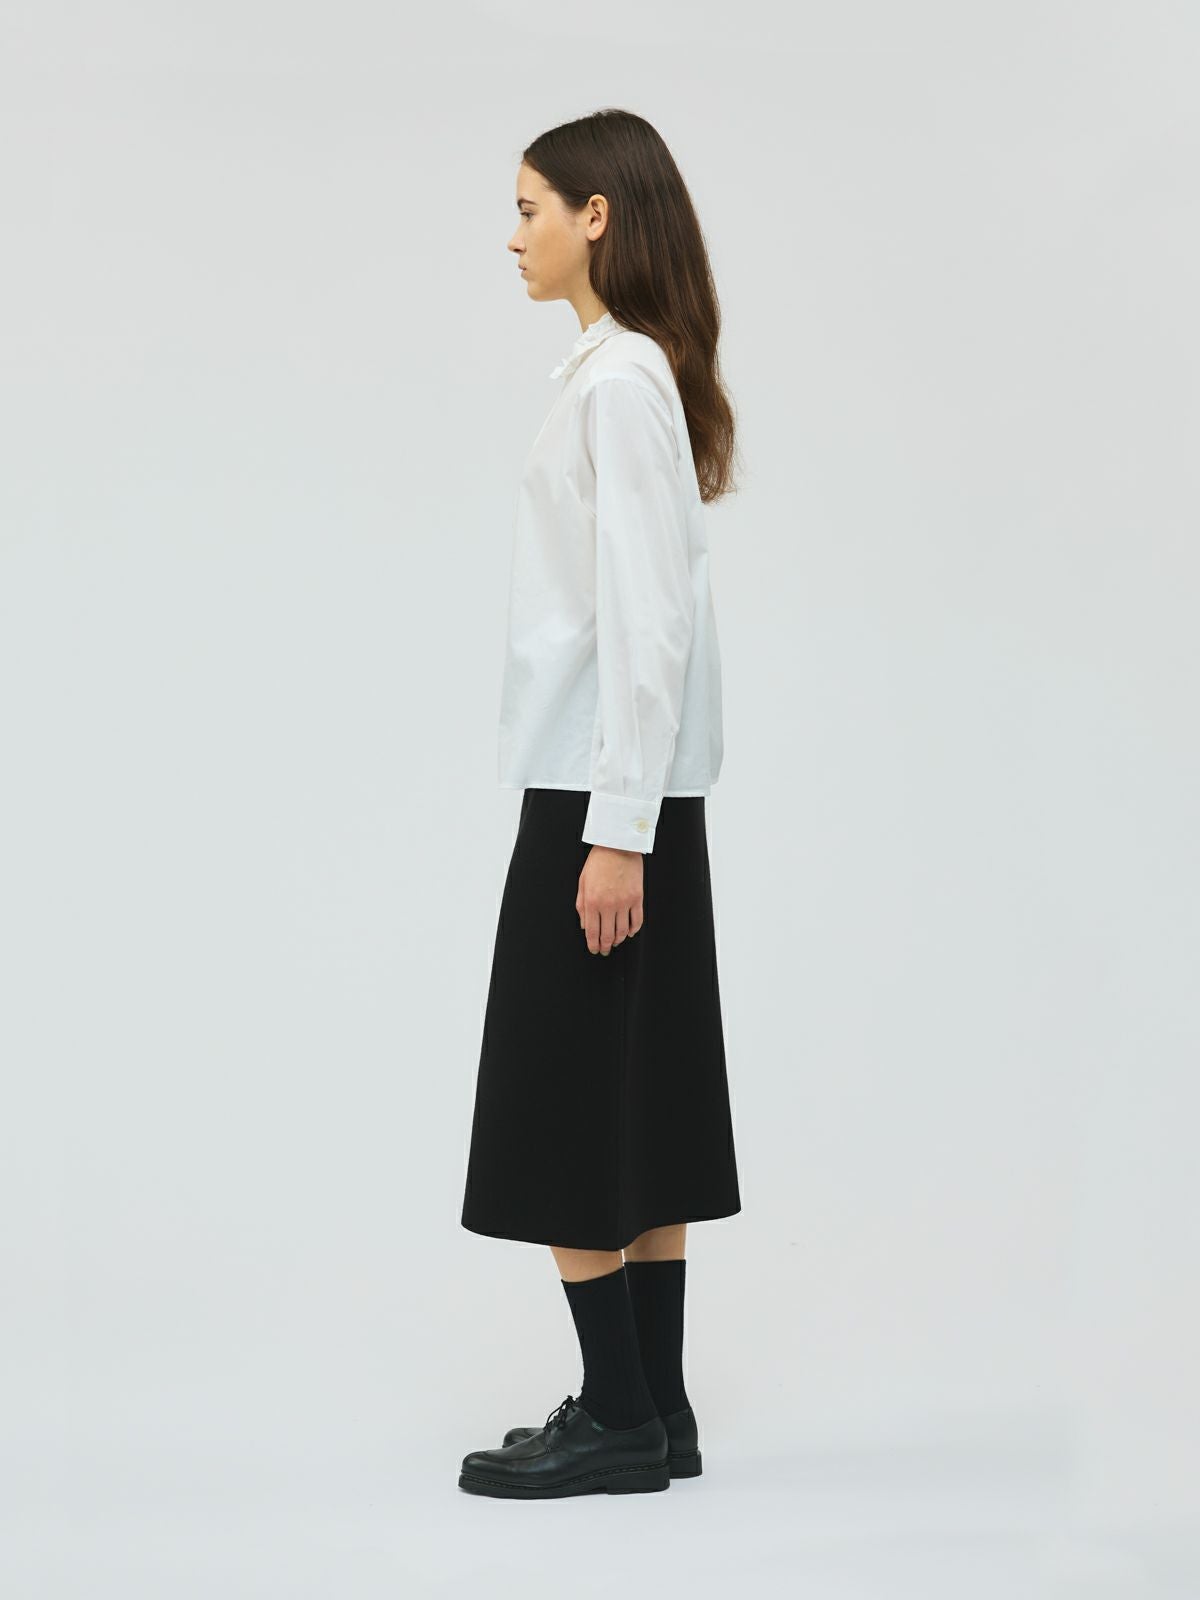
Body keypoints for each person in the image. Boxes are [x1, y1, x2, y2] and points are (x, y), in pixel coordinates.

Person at [458, 108, 743, 1499]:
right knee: (647, 1095)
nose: (511, 236)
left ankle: (617, 1412)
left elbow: (646, 617)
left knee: (562, 1098)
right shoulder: (631, 373)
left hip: (600, 792)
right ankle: (658, 1411)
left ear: (597, 217)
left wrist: (613, 829)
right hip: (635, 791)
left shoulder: (617, 380)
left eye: (530, 208)